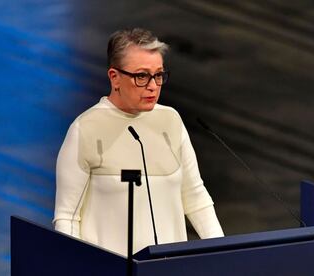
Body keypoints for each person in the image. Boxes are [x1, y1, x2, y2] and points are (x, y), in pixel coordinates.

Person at [53, 28, 224, 256]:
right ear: (115, 77)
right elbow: (67, 218)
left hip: (170, 270)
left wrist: (223, 254)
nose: (153, 85)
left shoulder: (170, 120)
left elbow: (195, 197)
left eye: (159, 75)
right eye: (142, 76)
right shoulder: (85, 129)